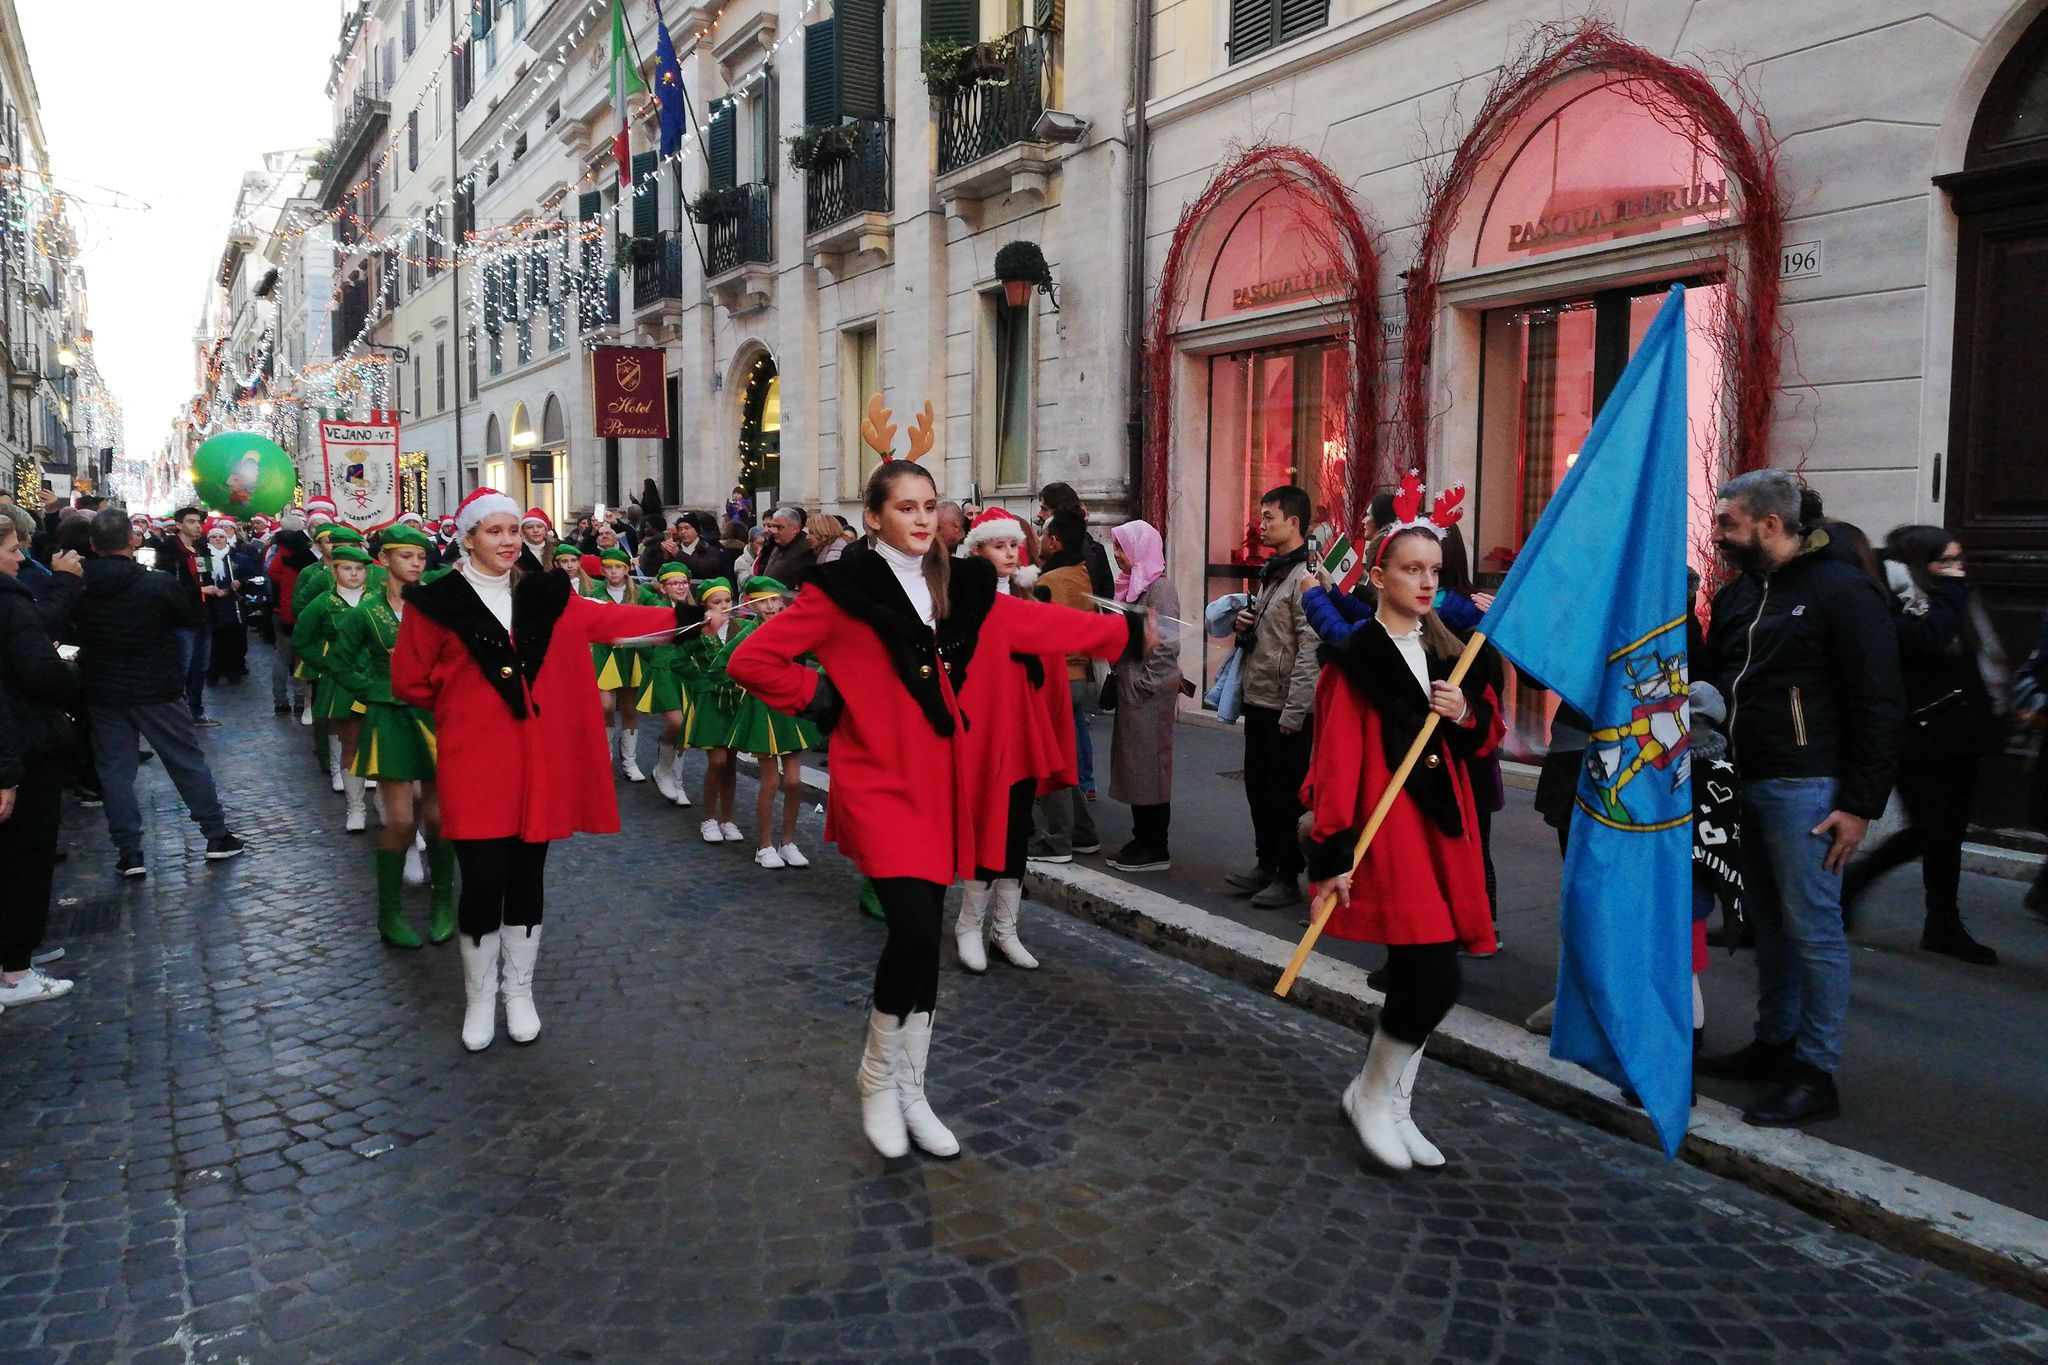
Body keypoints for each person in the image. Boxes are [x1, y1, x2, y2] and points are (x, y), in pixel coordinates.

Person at [727, 456, 1144, 1161]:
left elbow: (1033, 627)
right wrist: (826, 701)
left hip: (947, 784)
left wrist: (1122, 635)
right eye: (907, 507)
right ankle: (875, 1080)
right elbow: (753, 661)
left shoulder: (963, 584)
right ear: (875, 517)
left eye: (930, 506)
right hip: (882, 782)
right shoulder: (841, 590)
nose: (922, 518)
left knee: (925, 940)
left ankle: (911, 1089)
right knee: (916, 931)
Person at [391, 488, 699, 1051]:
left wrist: (690, 614)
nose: (508, 541)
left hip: (539, 761)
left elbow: (616, 620)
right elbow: (409, 680)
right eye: (494, 531)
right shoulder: (434, 603)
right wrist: (468, 701)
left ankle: (520, 992)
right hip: (475, 760)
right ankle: (480, 999)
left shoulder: (549, 595)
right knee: (482, 882)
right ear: (468, 537)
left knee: (527, 877)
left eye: (514, 530)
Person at [1696, 472, 1904, 1128]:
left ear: (1770, 524)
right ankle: (1775, 1041)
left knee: (1815, 930)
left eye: (1728, 522)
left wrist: (1862, 802)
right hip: (1745, 778)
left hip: (1809, 788)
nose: (1718, 534)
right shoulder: (1741, 596)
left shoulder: (1843, 590)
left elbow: (1879, 700)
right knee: (1769, 923)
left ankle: (1816, 1071)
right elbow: (1727, 672)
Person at [1301, 513, 1499, 1171]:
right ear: (1378, 576)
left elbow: (1484, 735)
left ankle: (1392, 1104)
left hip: (1446, 827)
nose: (1424, 581)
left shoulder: (1450, 649)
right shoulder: (1355, 663)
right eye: (1411, 568)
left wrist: (1464, 713)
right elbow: (1334, 765)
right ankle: (1371, 1093)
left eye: (1434, 571)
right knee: (1433, 977)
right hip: (1390, 831)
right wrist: (1332, 851)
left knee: (1422, 976)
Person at [1841, 527, 2003, 964]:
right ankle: (1854, 883)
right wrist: (1951, 591)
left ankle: (1942, 923)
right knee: (1929, 828)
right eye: (1946, 561)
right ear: (1919, 562)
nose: (1957, 570)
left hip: (1958, 732)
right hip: (1915, 734)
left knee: (1948, 833)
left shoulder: (1950, 599)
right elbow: (1924, 640)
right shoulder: (1892, 598)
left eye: (1959, 560)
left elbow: (1976, 656)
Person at [71, 510, 245, 878]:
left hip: (105, 690)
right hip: (156, 688)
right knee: (186, 761)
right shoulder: (156, 584)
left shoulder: (79, 585)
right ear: (131, 541)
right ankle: (215, 836)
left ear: (92, 544)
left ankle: (130, 853)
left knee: (115, 773)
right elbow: (188, 617)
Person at [325, 523, 456, 947]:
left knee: (438, 819)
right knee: (399, 820)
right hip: (390, 719)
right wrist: (376, 690)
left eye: (420, 557)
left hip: (436, 715)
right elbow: (340, 662)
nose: (416, 563)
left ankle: (441, 905)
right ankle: (390, 914)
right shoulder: (367, 612)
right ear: (384, 560)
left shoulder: (438, 607)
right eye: (406, 556)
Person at [955, 507, 1061, 970]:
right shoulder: (962, 604)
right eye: (1000, 546)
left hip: (1020, 727)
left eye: (1015, 546)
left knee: (1017, 826)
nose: (1011, 554)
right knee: (985, 825)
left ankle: (1005, 929)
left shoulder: (1028, 598)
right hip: (980, 730)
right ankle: (968, 925)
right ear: (977, 550)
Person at [1226, 485, 1322, 910]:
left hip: (1285, 704)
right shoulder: (1276, 571)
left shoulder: (1306, 576)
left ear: (1294, 523)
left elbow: (1310, 647)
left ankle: (1287, 874)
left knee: (1285, 795)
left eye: (1269, 517)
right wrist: (1247, 622)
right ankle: (1265, 864)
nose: (1261, 525)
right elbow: (1275, 631)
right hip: (1260, 696)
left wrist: (1296, 709)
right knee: (1259, 789)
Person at [0, 512, 82, 1008]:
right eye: (12, 548)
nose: (19, 557)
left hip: (18, 746)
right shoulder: (10, 605)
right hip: (26, 750)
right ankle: (15, 972)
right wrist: (70, 673)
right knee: (23, 862)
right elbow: (33, 678)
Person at [717, 577, 817, 868]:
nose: (770, 606)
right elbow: (723, 663)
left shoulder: (794, 629)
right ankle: (764, 845)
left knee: (795, 781)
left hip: (792, 707)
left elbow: (820, 650)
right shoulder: (747, 633)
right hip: (762, 710)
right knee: (771, 781)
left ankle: (788, 842)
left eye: (775, 600)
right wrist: (743, 686)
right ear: (752, 604)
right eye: (763, 601)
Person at [1024, 509, 1103, 863]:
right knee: (1062, 758)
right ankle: (1083, 833)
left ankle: (1058, 840)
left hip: (1057, 678)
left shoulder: (1052, 581)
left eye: (1043, 533)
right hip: (1078, 676)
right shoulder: (1080, 573)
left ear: (1054, 541)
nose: (1039, 539)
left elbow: (1037, 634)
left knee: (1051, 763)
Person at [1104, 520, 1182, 873]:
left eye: (1122, 548)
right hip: (1134, 689)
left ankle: (1155, 844)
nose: (1117, 555)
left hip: (1150, 693)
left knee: (1150, 766)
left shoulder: (1159, 588)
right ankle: (1142, 837)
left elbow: (1166, 644)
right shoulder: (1133, 585)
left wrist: (1143, 685)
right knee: (1135, 766)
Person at [293, 541, 374, 826]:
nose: (354, 574)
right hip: (343, 683)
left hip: (375, 679)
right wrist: (326, 663)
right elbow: (301, 639)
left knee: (384, 742)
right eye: (347, 568)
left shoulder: (378, 599)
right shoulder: (323, 603)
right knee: (350, 741)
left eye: (359, 569)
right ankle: (356, 808)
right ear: (335, 571)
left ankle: (391, 809)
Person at [587, 546, 660, 783]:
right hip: (603, 654)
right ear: (602, 570)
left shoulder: (640, 593)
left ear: (627, 569)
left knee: (629, 708)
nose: (613, 572)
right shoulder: (595, 592)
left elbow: (659, 611)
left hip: (631, 655)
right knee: (605, 706)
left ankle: (629, 760)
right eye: (608, 567)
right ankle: (604, 755)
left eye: (618, 567)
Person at [682, 578, 742, 841]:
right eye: (716, 602)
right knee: (716, 761)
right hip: (710, 701)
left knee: (730, 762)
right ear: (705, 605)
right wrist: (701, 682)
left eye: (727, 601)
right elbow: (677, 660)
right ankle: (708, 818)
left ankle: (728, 818)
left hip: (735, 700)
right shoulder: (698, 630)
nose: (723, 606)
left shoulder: (741, 628)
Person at [635, 563, 697, 807]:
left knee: (686, 728)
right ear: (662, 587)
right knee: (676, 721)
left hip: (687, 673)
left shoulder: (694, 611)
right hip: (663, 674)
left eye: (683, 582)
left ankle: (675, 778)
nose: (680, 587)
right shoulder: (656, 610)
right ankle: (662, 769)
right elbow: (639, 641)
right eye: (674, 583)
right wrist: (657, 660)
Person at [165, 505, 221, 727]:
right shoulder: (169, 550)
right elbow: (168, 584)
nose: (197, 526)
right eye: (191, 522)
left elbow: (204, 577)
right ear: (179, 525)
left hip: (203, 615)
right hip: (181, 618)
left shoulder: (201, 549)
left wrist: (211, 589)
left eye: (198, 522)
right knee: (182, 666)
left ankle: (196, 710)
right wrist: (199, 591)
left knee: (200, 666)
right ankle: (176, 713)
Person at [1036, 482, 1114, 600]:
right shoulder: (1042, 549)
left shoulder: (1094, 551)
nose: (1039, 514)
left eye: (1044, 509)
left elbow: (1105, 599)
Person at [200, 518, 251, 685]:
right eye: (214, 537)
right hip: (211, 604)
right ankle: (213, 671)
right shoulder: (204, 558)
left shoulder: (238, 558)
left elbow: (250, 577)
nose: (217, 540)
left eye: (221, 537)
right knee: (214, 640)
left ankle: (233, 670)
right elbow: (200, 579)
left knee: (232, 639)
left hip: (232, 604)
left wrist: (239, 584)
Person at [757, 505, 818, 587]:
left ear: (795, 529)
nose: (774, 531)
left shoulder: (805, 550)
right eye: (773, 526)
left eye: (779, 527)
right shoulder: (778, 545)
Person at [517, 508, 556, 573]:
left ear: (546, 530)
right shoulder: (518, 552)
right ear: (523, 531)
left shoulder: (556, 549)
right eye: (530, 527)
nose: (535, 530)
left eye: (539, 526)